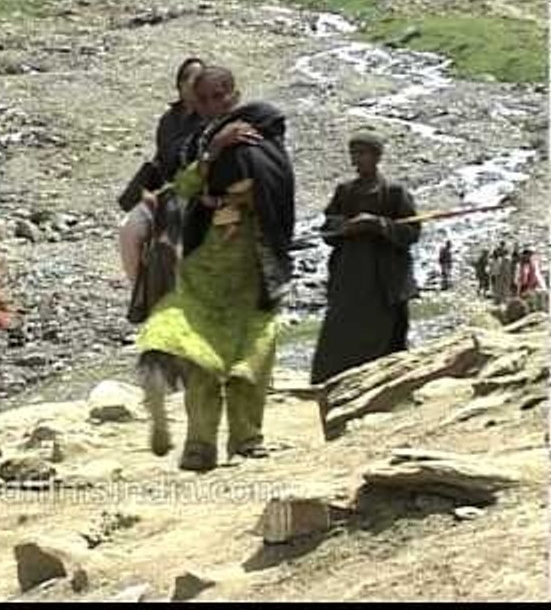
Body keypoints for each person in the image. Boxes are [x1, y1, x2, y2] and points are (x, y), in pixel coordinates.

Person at [137, 66, 294, 471]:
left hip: (250, 262)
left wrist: (244, 199)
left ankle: (247, 439)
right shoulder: (196, 139)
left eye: (221, 95)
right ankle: (199, 445)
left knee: (251, 352)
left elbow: (276, 186)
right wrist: (211, 156)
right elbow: (182, 188)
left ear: (236, 92)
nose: (214, 104)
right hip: (204, 264)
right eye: (205, 98)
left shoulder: (264, 132)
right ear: (194, 99)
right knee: (200, 356)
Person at [311, 130, 420, 385]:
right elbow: (328, 229)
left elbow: (411, 232)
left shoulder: (394, 193)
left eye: (362, 153)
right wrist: (345, 227)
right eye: (354, 154)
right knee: (339, 335)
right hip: (348, 279)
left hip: (383, 283)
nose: (357, 160)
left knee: (384, 340)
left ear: (377, 156)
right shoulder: (345, 191)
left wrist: (378, 225)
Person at [118, 57, 204, 286]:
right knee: (129, 230)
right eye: (190, 78)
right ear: (180, 84)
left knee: (171, 243)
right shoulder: (168, 120)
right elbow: (160, 159)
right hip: (163, 193)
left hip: (195, 198)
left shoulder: (210, 120)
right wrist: (148, 192)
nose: (195, 84)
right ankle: (141, 292)